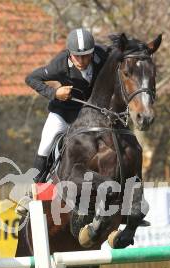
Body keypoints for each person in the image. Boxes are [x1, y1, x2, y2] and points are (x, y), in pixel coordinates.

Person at [26, 27, 109, 182]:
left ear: (92, 52)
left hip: (91, 116)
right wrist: (55, 93)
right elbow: (31, 78)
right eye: (77, 56)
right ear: (70, 53)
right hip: (63, 114)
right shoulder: (59, 64)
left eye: (86, 56)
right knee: (45, 144)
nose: (82, 61)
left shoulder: (102, 55)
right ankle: (34, 188)